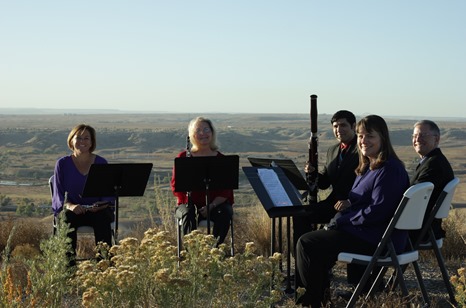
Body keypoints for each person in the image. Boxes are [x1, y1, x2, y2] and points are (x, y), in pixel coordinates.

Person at [295, 115, 409, 307]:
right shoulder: (369, 167)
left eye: (370, 136)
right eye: (360, 136)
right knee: (317, 245)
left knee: (307, 243)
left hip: (377, 239)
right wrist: (346, 212)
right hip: (369, 233)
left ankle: (311, 302)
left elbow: (377, 211)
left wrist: (340, 222)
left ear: (382, 138)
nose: (363, 141)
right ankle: (321, 299)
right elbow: (365, 204)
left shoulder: (389, 169)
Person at [293, 110, 359, 248]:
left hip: (353, 206)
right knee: (300, 214)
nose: (338, 130)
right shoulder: (333, 150)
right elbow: (324, 183)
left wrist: (351, 201)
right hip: (332, 204)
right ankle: (301, 260)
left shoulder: (361, 149)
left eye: (343, 125)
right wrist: (312, 172)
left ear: (354, 126)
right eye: (335, 126)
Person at [52, 124, 114, 266]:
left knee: (103, 219)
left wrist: (101, 204)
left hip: (96, 210)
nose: (82, 141)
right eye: (78, 137)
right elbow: (58, 193)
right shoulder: (62, 164)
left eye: (86, 138)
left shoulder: (101, 163)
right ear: (71, 141)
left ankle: (104, 268)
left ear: (92, 142)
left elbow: (108, 192)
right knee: (66, 219)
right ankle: (68, 269)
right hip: (73, 211)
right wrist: (71, 205)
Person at [171, 117, 234, 246]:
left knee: (225, 213)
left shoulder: (221, 159)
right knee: (188, 214)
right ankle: (193, 254)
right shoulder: (183, 157)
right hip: (189, 205)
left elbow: (226, 190)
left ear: (212, 133)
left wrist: (211, 206)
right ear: (192, 135)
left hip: (215, 205)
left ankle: (214, 251)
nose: (203, 133)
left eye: (206, 129)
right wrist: (191, 204)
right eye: (198, 130)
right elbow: (176, 185)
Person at [409, 120, 454, 243]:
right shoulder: (431, 161)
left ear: (437, 139)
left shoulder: (434, 165)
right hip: (423, 228)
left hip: (417, 230)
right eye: (415, 136)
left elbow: (412, 198)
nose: (417, 139)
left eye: (423, 135)